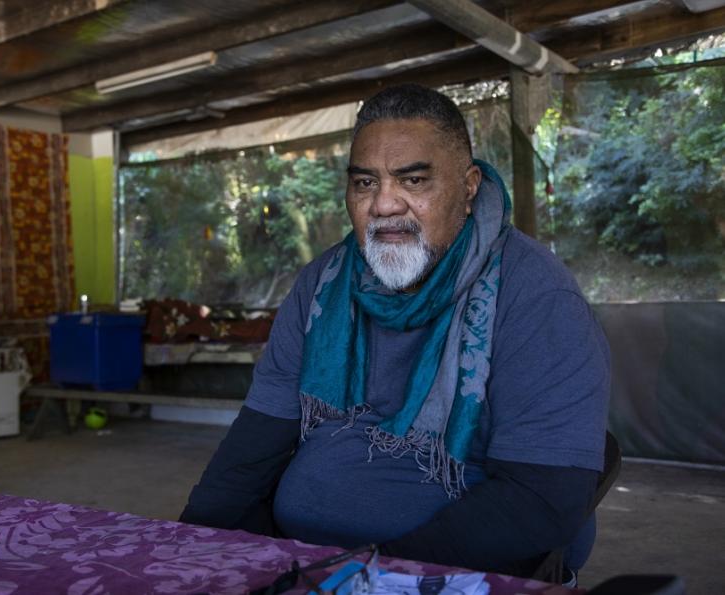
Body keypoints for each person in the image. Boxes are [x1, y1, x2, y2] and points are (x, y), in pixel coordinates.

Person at [180, 84, 610, 581]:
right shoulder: (322, 285)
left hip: (452, 572)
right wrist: (188, 549)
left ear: (468, 187)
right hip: (317, 559)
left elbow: (542, 500)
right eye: (365, 183)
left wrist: (370, 578)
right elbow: (252, 446)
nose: (385, 205)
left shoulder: (536, 295)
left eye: (414, 180)